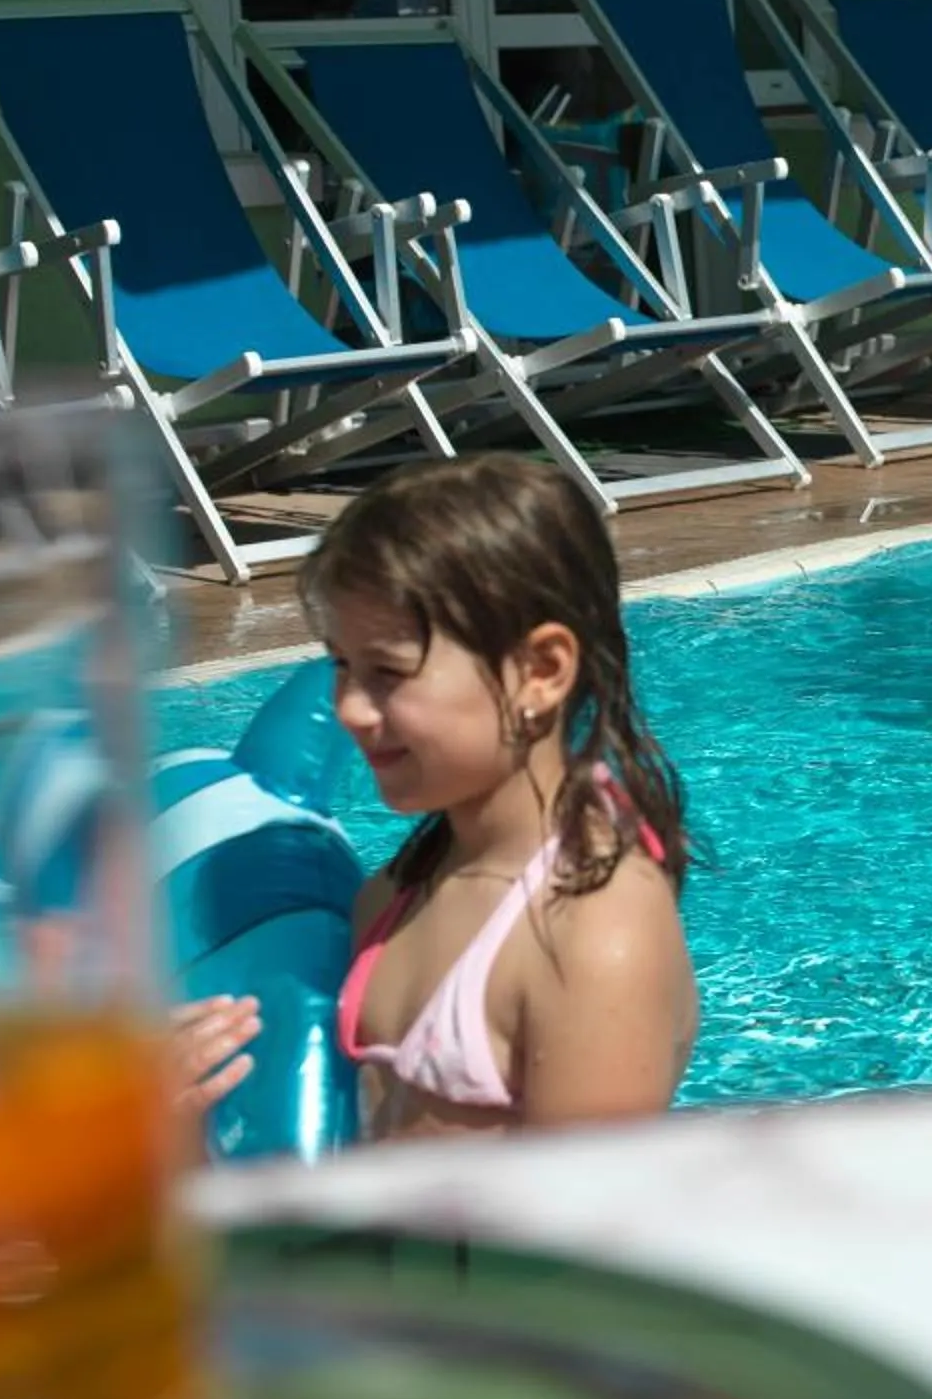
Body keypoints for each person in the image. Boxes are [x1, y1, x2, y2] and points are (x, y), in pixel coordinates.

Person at [229, 453, 700, 1141]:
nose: (351, 710)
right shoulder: (400, 888)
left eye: (387, 671)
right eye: (342, 665)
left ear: (540, 672)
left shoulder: (593, 938)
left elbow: (585, 1233)